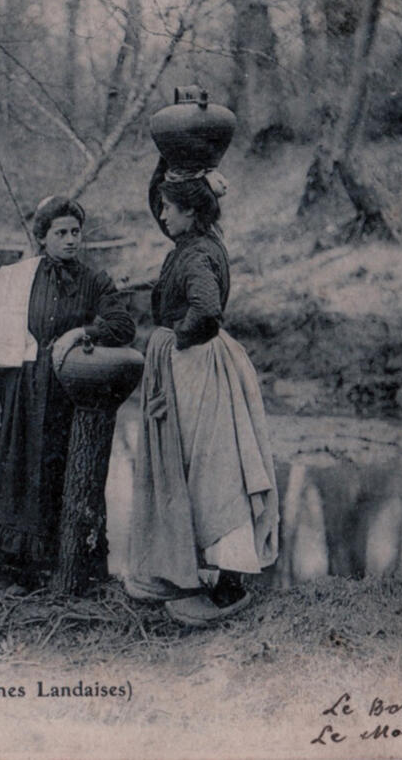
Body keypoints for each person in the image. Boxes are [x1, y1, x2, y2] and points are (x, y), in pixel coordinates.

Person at [124, 158, 279, 627]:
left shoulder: (194, 254)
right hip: (198, 363)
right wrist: (164, 160)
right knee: (199, 468)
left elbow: (207, 310)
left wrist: (177, 338)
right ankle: (188, 571)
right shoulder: (200, 239)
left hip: (198, 366)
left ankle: (230, 586)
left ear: (190, 213)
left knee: (215, 472)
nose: (162, 216)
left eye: (169, 208)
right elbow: (162, 203)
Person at [0, 195, 136, 585]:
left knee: (55, 473)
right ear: (43, 238)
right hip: (20, 390)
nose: (70, 240)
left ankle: (61, 562)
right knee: (16, 469)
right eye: (60, 233)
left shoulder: (93, 281)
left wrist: (83, 331)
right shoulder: (18, 278)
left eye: (75, 232)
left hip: (64, 392)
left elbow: (122, 326)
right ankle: (13, 566)